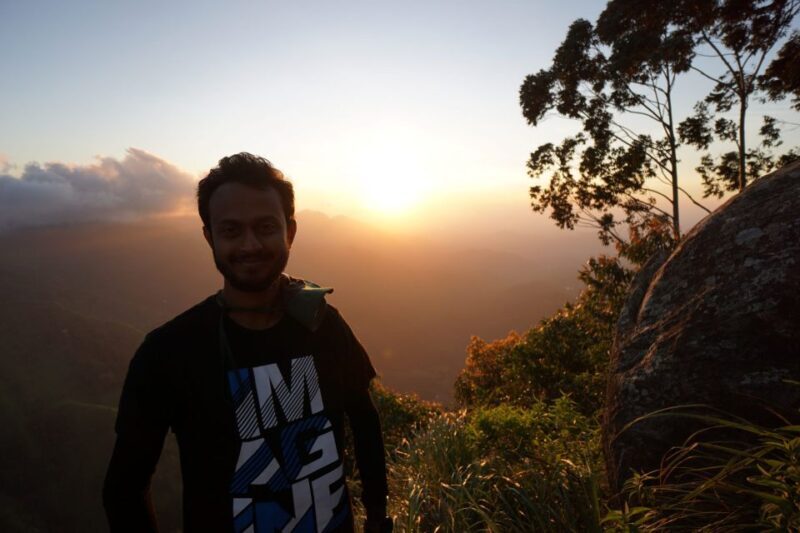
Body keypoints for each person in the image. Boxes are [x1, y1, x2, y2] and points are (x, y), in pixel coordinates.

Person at [103, 153, 391, 533]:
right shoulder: (168, 353)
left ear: (290, 231)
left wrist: (376, 517)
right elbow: (124, 489)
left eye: (265, 227)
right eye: (231, 231)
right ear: (210, 237)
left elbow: (364, 418)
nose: (250, 245)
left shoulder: (324, 325)